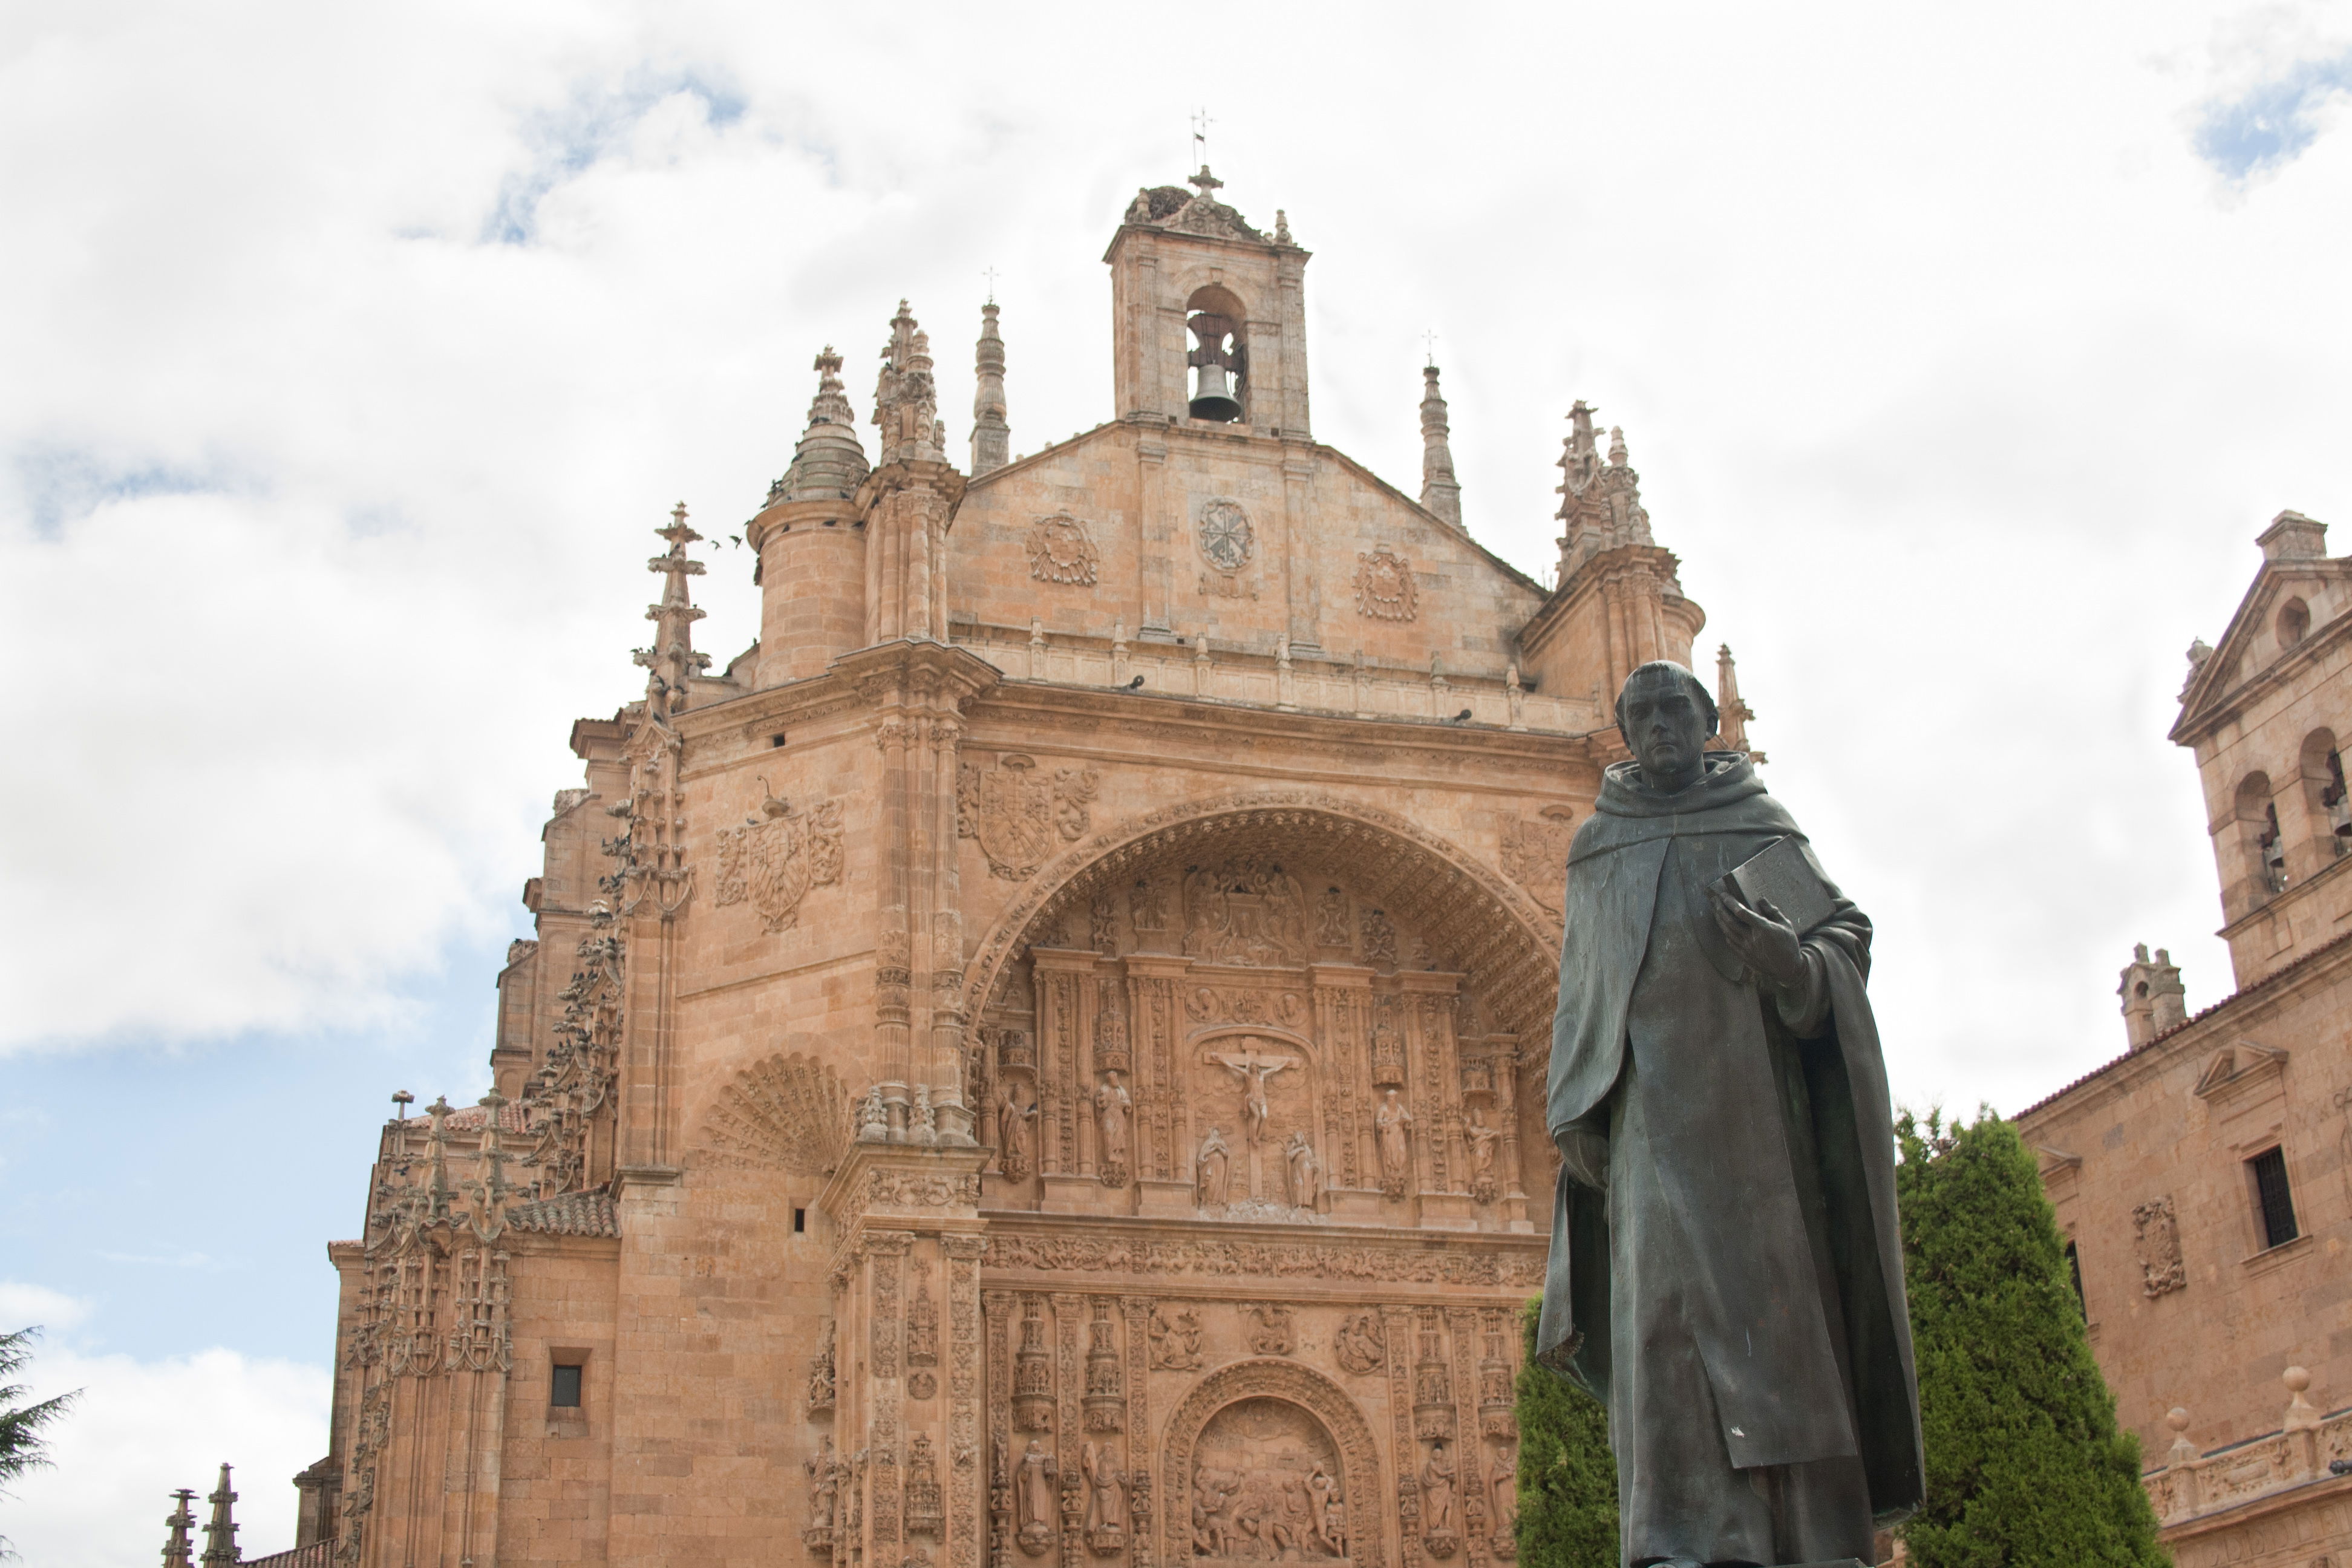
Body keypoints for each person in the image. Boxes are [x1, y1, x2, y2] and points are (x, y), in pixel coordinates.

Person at [1538, 660, 1923, 1567]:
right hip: (1643, 1125)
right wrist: (1571, 1108)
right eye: (1642, 712)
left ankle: (1809, 1541)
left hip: (1758, 1120)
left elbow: (1843, 937)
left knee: (1781, 1327)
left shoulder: (1752, 821)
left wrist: (1792, 964)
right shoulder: (1601, 845)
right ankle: (1676, 1542)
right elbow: (1579, 993)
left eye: (1679, 708)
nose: (1662, 724)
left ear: (1711, 720)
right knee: (1663, 1335)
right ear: (1625, 732)